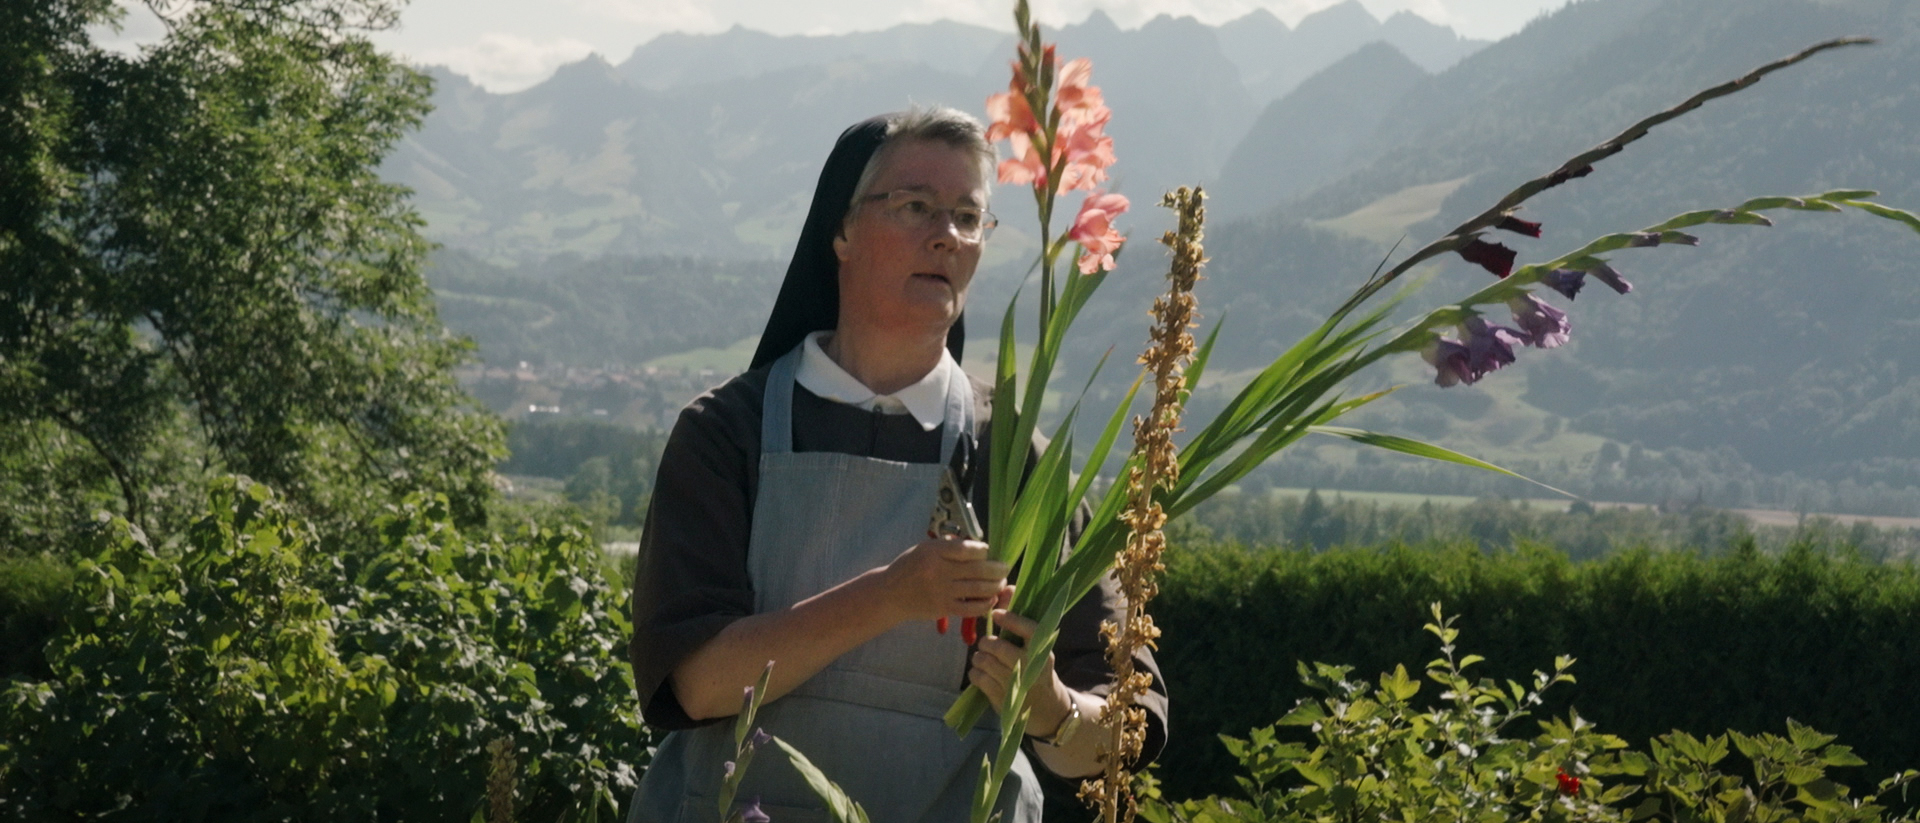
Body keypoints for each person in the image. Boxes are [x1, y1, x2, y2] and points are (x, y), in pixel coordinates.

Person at [627, 106, 1167, 823]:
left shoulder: (1013, 456)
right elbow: (697, 683)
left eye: (968, 216)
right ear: (841, 230)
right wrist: (889, 595)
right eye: (916, 206)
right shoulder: (727, 433)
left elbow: (1120, 732)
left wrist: (1051, 709)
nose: (946, 234)